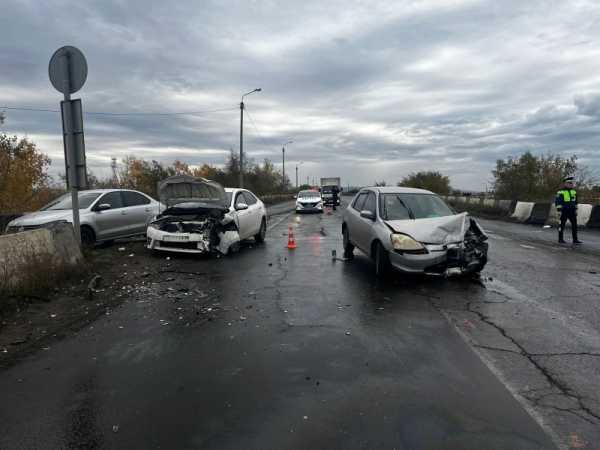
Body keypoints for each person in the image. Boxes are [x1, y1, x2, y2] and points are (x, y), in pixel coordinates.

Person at [555, 176, 582, 244]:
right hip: (564, 211)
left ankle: (575, 240)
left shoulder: (574, 192)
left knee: (574, 226)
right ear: (565, 183)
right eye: (569, 183)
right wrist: (559, 211)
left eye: (572, 183)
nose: (571, 184)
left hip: (572, 210)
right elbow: (558, 202)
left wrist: (576, 209)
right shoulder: (560, 192)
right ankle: (560, 239)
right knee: (561, 225)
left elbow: (575, 201)